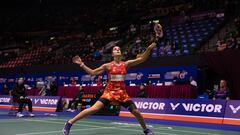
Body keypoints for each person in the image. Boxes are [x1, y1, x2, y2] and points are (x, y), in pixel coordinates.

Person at [63, 43, 157, 135]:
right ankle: (70, 123)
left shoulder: (126, 64)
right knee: (93, 109)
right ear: (112, 54)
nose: (117, 50)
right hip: (109, 92)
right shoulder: (107, 65)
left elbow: (142, 58)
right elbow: (92, 73)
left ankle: (146, 130)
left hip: (122, 94)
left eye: (118, 49)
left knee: (136, 112)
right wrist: (81, 64)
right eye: (115, 49)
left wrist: (148, 49)